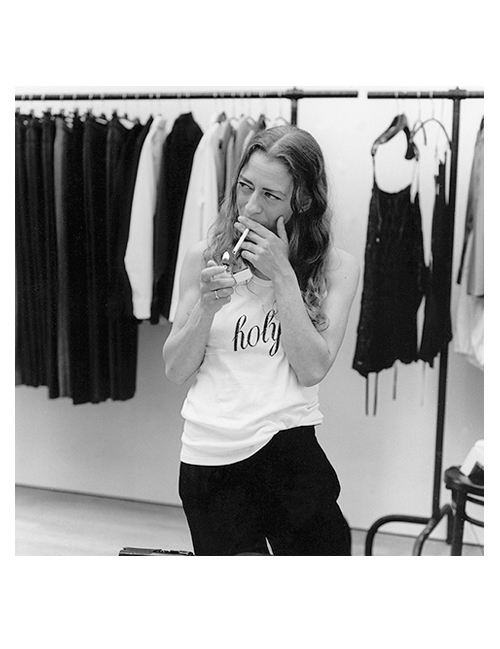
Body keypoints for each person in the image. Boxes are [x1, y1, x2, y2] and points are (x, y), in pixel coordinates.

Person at [163, 125, 360, 555]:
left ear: (302, 200)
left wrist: (283, 275)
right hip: (211, 457)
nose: (251, 206)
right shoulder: (203, 256)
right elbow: (175, 369)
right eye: (245, 186)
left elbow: (312, 368)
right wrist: (206, 308)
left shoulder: (336, 268)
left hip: (289, 449)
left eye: (270, 195)